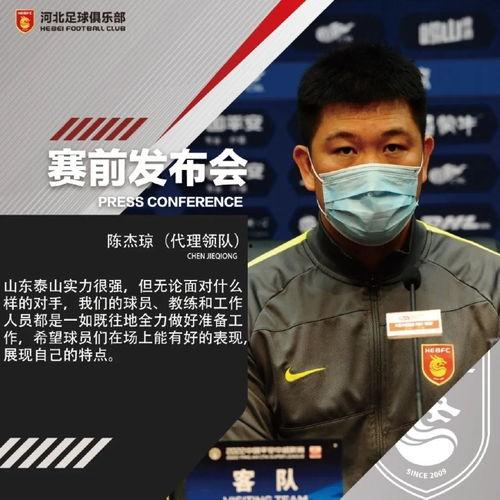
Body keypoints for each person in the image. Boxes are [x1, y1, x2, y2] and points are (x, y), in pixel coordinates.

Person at [223, 43, 500, 491]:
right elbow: (237, 481)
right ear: (307, 167)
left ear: (424, 159)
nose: (371, 171)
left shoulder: (491, 286)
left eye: (393, 147)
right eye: (346, 150)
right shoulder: (247, 304)